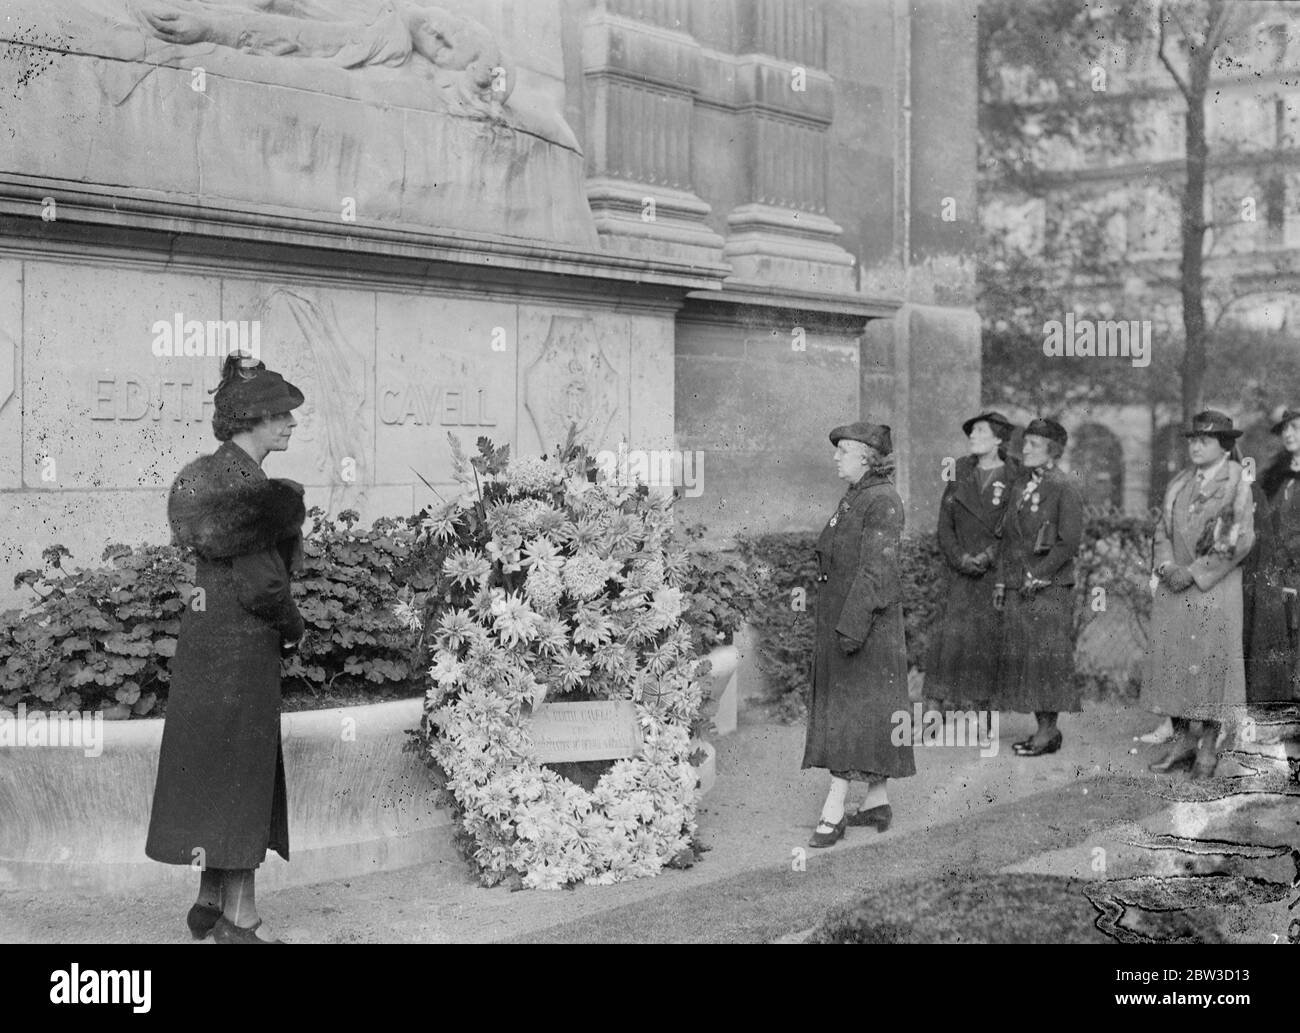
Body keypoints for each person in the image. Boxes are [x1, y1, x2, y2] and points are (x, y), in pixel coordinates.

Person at [146, 353, 307, 943]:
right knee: (241, 776)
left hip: (202, 646)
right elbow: (264, 584)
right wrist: (294, 628)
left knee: (215, 769)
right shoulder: (251, 488)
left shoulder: (204, 475)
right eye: (282, 414)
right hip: (242, 651)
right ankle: (242, 921)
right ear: (254, 418)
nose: (292, 423)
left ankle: (209, 900)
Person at [802, 422, 916, 848]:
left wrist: (850, 630)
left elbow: (876, 571)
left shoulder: (882, 501)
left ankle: (834, 812)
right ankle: (876, 801)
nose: (836, 457)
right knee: (865, 713)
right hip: (851, 622)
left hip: (865, 626)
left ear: (868, 456)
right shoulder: (858, 497)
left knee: (851, 717)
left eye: (844, 451)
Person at [1143, 410, 1255, 779]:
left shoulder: (1237, 482)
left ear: (1224, 446)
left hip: (1213, 590)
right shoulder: (1179, 482)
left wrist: (1191, 573)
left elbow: (1236, 540)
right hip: (1174, 588)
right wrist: (1165, 566)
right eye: (1192, 439)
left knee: (1209, 667)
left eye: (1204, 440)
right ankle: (1182, 743)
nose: (1195, 446)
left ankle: (1208, 746)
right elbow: (1162, 529)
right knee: (1173, 663)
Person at [991, 418, 1084, 756]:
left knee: (1048, 659)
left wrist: (1040, 573)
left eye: (1033, 444)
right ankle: (1043, 728)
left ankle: (1048, 731)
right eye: (1025, 442)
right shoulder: (1020, 485)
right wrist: (1004, 579)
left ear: (1052, 451)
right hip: (1021, 586)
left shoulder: (1064, 486)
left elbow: (1068, 541)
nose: (1024, 448)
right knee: (1029, 659)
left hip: (1050, 587)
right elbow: (1009, 538)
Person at [925, 411, 1018, 746]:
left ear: (998, 439)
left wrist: (990, 555)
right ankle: (932, 718)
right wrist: (960, 558)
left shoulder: (1014, 474)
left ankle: (982, 723)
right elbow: (944, 524)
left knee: (984, 645)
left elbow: (1017, 525)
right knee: (946, 644)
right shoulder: (960, 471)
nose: (973, 437)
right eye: (972, 432)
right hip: (958, 572)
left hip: (992, 574)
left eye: (981, 432)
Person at [1244, 409, 1300, 703]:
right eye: (1284, 430)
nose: (1288, 434)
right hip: (1277, 576)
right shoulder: (1278, 476)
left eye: (1294, 427)